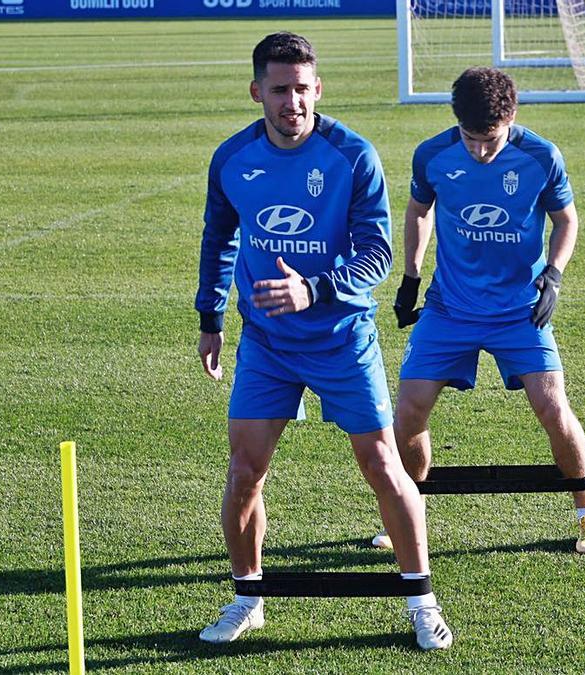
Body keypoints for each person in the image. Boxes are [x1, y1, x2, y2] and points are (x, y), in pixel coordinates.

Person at [194, 31, 452, 651]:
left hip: (342, 338)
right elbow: (218, 238)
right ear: (257, 91)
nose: (293, 103)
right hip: (267, 343)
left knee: (383, 467)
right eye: (279, 90)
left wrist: (315, 289)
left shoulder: (352, 156)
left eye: (303, 90)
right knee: (245, 470)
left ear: (319, 90)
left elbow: (377, 254)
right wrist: (210, 318)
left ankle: (421, 600)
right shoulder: (232, 158)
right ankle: (247, 598)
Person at [373, 66, 585, 555]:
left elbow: (566, 219)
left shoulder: (541, 156)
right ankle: (407, 508)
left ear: (512, 117)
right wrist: (412, 276)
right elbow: (420, 210)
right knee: (409, 412)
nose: (481, 150)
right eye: (471, 138)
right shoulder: (433, 154)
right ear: (455, 122)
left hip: (520, 309)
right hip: (450, 307)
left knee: (552, 408)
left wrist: (556, 275)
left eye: (491, 139)